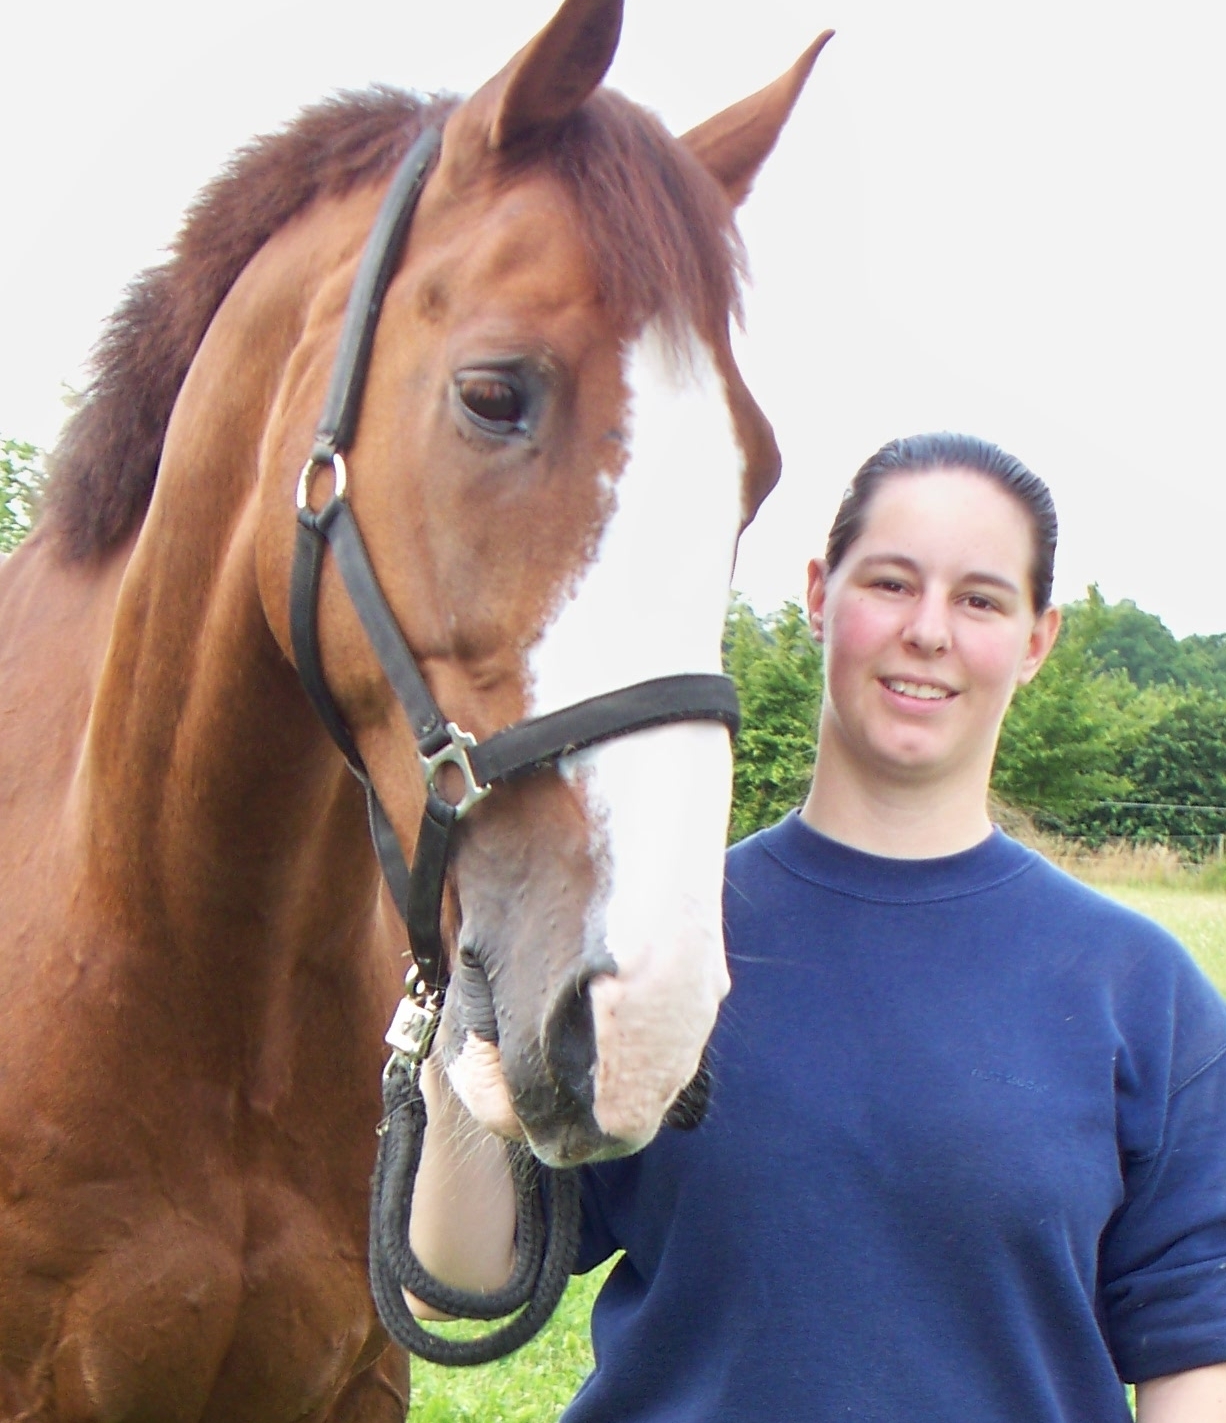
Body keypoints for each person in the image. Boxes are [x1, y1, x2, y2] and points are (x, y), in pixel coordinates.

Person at [410, 432, 1226, 1422]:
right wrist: (466, 1020)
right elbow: (456, 1277)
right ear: (817, 595)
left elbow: (1196, 1355)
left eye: (979, 600)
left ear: (1035, 642)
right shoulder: (660, 937)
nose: (928, 631)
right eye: (890, 583)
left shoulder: (1139, 991)